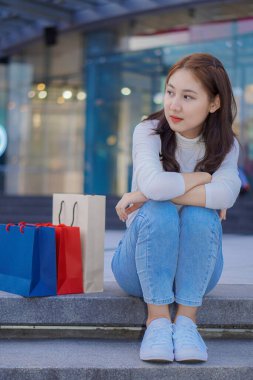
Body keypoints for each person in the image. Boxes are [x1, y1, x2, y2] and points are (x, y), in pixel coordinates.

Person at [111, 53, 241, 363]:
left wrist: (145, 194)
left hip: (198, 272)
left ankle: (186, 323)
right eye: (170, 92)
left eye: (187, 96)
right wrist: (201, 179)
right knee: (159, 211)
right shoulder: (149, 131)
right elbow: (158, 188)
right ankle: (157, 321)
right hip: (136, 268)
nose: (174, 105)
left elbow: (227, 194)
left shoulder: (226, 145)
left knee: (199, 214)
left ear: (214, 103)